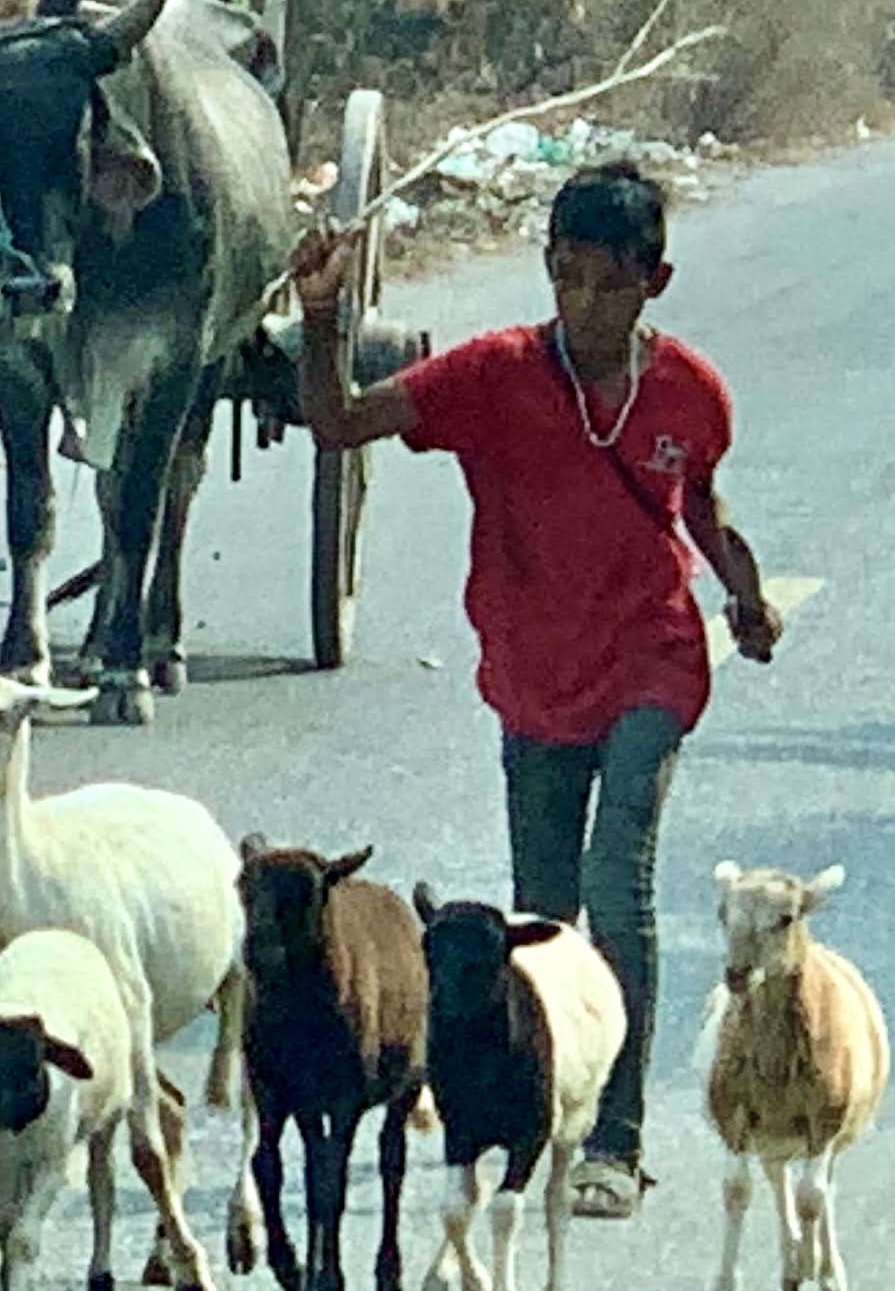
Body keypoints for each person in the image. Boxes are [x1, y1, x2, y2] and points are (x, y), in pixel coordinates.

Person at [291, 160, 782, 1218]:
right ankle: (532, 1104)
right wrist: (322, 317)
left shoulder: (689, 392)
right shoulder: (491, 375)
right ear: (547, 269)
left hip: (650, 658)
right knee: (546, 915)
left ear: (654, 280)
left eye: (609, 283)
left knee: (617, 888)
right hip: (530, 671)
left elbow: (697, 503)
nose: (585, 303)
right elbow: (335, 423)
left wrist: (742, 595)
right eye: (566, 277)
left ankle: (616, 1138)